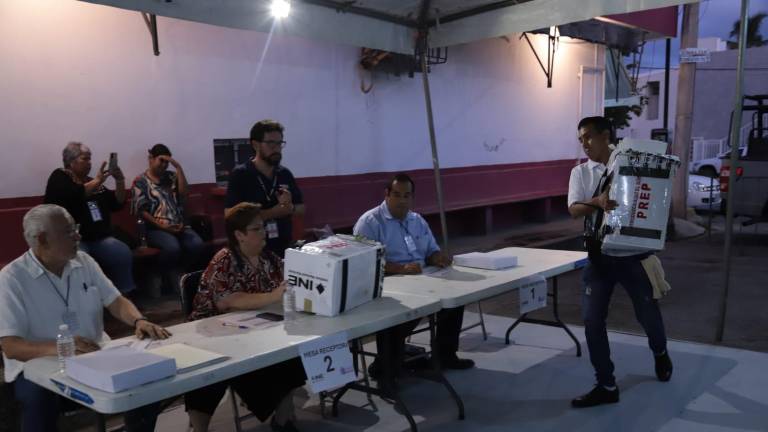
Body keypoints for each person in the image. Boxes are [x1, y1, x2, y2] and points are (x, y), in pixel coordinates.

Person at [0, 204, 170, 432]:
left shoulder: (84, 262)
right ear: (42, 239)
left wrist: (139, 320)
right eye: (68, 232)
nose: (77, 236)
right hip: (39, 364)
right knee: (39, 399)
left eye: (76, 228)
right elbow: (11, 347)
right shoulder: (11, 279)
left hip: (94, 353)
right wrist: (63, 347)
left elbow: (115, 301)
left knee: (147, 378)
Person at [567, 116, 673, 408]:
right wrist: (598, 202)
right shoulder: (581, 172)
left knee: (647, 314)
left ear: (605, 135)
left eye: (588, 137)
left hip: (633, 257)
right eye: (581, 139)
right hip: (599, 259)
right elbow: (574, 209)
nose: (584, 144)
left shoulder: (632, 162)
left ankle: (660, 352)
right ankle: (606, 384)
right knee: (592, 321)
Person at [184, 202, 306, 432]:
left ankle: (283, 419)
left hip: (255, 332)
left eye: (264, 227)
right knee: (209, 372)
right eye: (256, 229)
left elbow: (289, 283)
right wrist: (272, 296)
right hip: (212, 337)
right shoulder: (224, 260)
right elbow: (228, 301)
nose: (264, 233)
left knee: (292, 354)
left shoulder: (269, 259)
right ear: (239, 235)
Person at [353, 173, 475, 375]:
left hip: (423, 278)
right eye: (397, 195)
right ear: (386, 194)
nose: (402, 201)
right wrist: (400, 269)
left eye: (407, 196)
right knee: (402, 314)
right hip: (391, 283)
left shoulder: (417, 220)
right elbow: (362, 263)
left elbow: (431, 251)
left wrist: (437, 257)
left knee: (454, 300)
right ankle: (386, 366)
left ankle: (444, 356)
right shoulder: (370, 222)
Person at [44, 141, 135, 294]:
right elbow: (75, 194)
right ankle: (84, 299)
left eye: (90, 159)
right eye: (85, 159)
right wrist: (98, 181)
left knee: (121, 251)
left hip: (98, 238)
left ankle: (123, 294)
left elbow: (117, 203)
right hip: (70, 240)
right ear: (71, 161)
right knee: (80, 258)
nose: (89, 163)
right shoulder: (59, 177)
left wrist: (120, 181)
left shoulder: (91, 181)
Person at [225, 120, 304, 257]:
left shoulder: (284, 173)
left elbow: (301, 208)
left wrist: (290, 207)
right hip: (252, 252)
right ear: (255, 145)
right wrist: (273, 212)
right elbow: (229, 215)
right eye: (271, 143)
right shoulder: (241, 174)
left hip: (283, 248)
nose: (276, 148)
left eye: (279, 143)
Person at [131, 144, 205, 286]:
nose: (164, 165)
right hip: (154, 228)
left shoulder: (171, 176)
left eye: (167, 162)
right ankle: (158, 273)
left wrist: (178, 168)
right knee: (172, 247)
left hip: (178, 225)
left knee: (196, 244)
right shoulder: (140, 181)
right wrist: (163, 227)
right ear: (151, 159)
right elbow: (141, 211)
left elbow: (184, 194)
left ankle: (179, 271)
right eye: (161, 160)